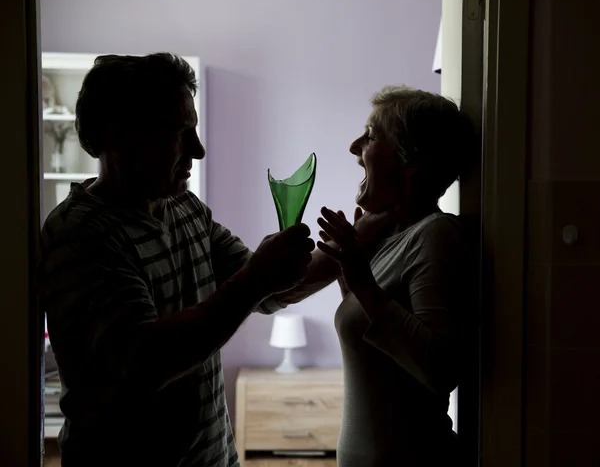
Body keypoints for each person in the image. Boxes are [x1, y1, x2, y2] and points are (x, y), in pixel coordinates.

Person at [38, 53, 322, 467]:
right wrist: (257, 279)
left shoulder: (185, 207)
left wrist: (361, 240)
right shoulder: (79, 233)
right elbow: (146, 362)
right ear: (118, 138)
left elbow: (273, 292)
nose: (199, 150)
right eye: (179, 132)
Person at [295, 86, 476, 466]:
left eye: (372, 134)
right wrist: (352, 268)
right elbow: (378, 344)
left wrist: (359, 278)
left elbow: (441, 368)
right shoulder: (389, 237)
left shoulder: (437, 235)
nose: (354, 146)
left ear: (410, 160)